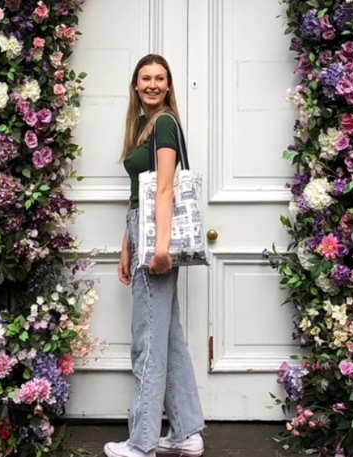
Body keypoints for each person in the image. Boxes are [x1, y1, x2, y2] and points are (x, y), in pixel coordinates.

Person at [103, 54, 205, 457]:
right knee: (168, 338)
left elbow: (165, 189)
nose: (152, 84)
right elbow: (138, 197)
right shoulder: (144, 126)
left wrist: (159, 249)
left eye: (159, 78)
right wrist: (127, 245)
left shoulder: (164, 123)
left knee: (148, 341)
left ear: (168, 85)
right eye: (145, 78)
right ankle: (186, 432)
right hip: (142, 234)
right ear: (135, 84)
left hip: (155, 241)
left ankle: (141, 442)